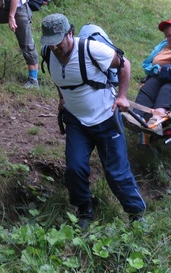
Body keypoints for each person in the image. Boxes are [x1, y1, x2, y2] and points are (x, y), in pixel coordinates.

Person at [40, 13, 146, 228]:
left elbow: (124, 64)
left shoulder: (90, 49)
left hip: (106, 119)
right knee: (74, 168)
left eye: (57, 42)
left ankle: (136, 215)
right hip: (76, 121)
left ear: (70, 33)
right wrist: (62, 99)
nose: (54, 48)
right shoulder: (48, 53)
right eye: (49, 43)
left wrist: (122, 96)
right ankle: (84, 211)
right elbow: (60, 79)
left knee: (116, 171)